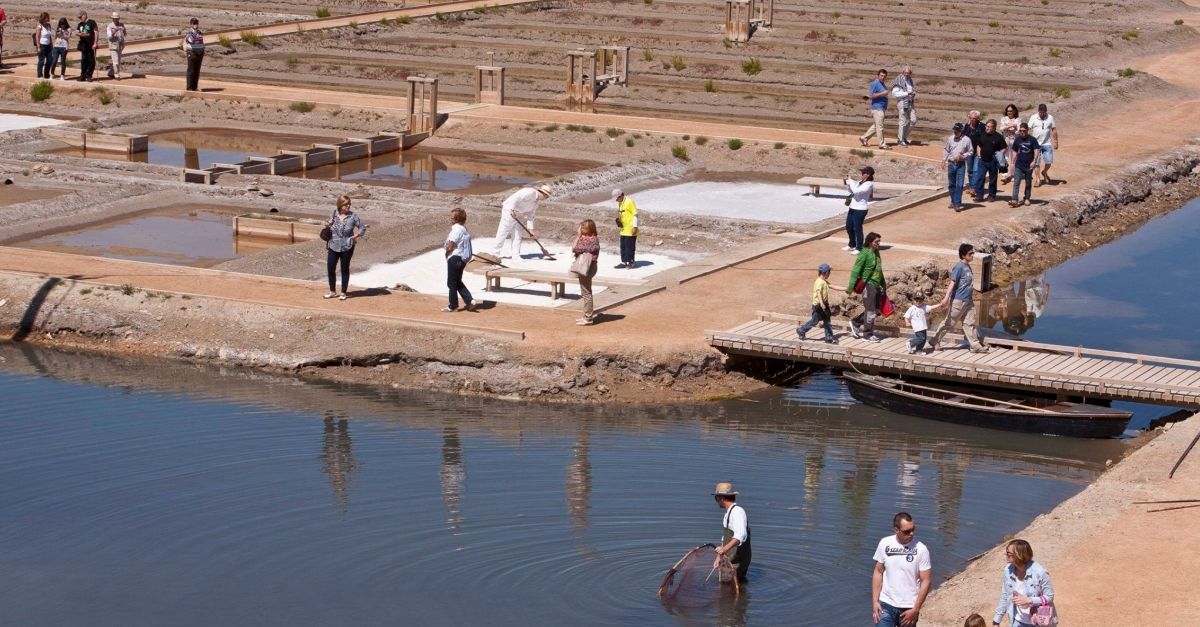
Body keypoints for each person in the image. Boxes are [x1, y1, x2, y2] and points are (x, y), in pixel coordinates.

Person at [871, 512, 931, 627]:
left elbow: (926, 580)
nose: (911, 534)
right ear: (896, 530)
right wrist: (875, 601)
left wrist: (916, 609)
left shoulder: (921, 549)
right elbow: (878, 572)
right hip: (886, 604)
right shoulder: (885, 544)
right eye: (907, 531)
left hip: (909, 607)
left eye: (913, 529)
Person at [929, 243, 988, 353]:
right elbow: (952, 283)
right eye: (970, 253)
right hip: (958, 300)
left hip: (968, 301)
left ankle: (974, 345)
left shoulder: (967, 266)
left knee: (969, 323)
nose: (972, 255)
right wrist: (946, 298)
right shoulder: (959, 267)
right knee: (949, 323)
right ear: (963, 255)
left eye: (973, 253)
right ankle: (935, 340)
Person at [993, 539, 1058, 627]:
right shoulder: (1008, 570)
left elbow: (1049, 596)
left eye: (1008, 553)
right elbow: (1005, 595)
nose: (1005, 554)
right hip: (1018, 621)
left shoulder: (1040, 572)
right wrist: (996, 621)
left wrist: (1029, 600)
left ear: (1019, 555)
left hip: (1039, 622)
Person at [323, 195, 366, 301]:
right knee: (330, 268)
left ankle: (343, 292)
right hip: (333, 245)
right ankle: (332, 291)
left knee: (344, 269)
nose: (348, 206)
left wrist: (354, 237)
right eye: (346, 204)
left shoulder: (353, 216)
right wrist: (328, 224)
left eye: (349, 204)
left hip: (347, 246)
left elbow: (362, 228)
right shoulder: (333, 213)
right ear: (340, 205)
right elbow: (327, 225)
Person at [490, 184, 550, 258]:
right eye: (547, 196)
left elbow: (531, 216)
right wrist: (512, 210)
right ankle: (495, 253)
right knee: (503, 231)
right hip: (509, 210)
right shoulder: (530, 192)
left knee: (518, 234)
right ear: (544, 193)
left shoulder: (536, 203)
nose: (546, 198)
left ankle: (515, 255)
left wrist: (531, 230)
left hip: (520, 214)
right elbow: (516, 198)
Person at [847, 232, 886, 342]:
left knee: (877, 310)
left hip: (877, 285)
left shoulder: (877, 252)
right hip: (869, 285)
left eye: (879, 241)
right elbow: (855, 270)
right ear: (870, 242)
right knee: (870, 311)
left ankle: (855, 322)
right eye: (876, 242)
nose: (878, 243)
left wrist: (883, 284)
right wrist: (850, 287)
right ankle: (867, 334)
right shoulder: (864, 253)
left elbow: (879, 269)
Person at [712, 482, 751, 582]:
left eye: (716, 498)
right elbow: (725, 538)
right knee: (726, 590)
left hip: (737, 561)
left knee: (729, 588)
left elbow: (740, 535)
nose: (716, 501)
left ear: (721, 498)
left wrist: (724, 549)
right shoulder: (728, 514)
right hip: (730, 559)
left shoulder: (737, 512)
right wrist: (719, 556)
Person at [443, 208, 474, 313]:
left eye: (452, 217)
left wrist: (447, 253)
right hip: (462, 259)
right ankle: (469, 301)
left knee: (451, 283)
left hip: (455, 258)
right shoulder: (464, 229)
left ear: (456, 219)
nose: (450, 219)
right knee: (457, 281)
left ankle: (453, 306)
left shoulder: (456, 230)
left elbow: (451, 245)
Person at [797, 263, 836, 343]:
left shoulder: (824, 281)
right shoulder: (819, 282)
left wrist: (846, 289)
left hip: (824, 304)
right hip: (818, 306)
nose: (830, 274)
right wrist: (821, 303)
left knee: (827, 320)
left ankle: (828, 337)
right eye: (829, 272)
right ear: (825, 273)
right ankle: (801, 330)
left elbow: (833, 286)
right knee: (814, 321)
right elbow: (818, 293)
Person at [570, 219, 599, 325]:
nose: (581, 229)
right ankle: (587, 316)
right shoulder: (593, 238)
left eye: (583, 227)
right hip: (590, 266)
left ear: (589, 229)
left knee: (586, 293)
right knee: (586, 292)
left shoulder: (589, 240)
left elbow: (574, 248)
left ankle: (588, 318)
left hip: (587, 267)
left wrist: (578, 236)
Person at [972, 120, 1008, 202]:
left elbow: (1005, 148)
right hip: (982, 161)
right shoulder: (982, 134)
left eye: (989, 127)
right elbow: (979, 145)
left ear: (994, 128)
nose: (986, 128)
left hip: (993, 161)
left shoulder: (998, 137)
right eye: (986, 126)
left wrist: (999, 155)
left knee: (992, 179)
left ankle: (991, 196)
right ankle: (979, 196)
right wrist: (978, 154)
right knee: (980, 178)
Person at [1008, 123, 1041, 208]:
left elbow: (1036, 150)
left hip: (1029, 165)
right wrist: (1012, 163)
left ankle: (1027, 198)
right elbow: (1014, 151)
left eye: (1024, 131)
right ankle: (1014, 199)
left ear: (1027, 130)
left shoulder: (1032, 140)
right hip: (1019, 164)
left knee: (1028, 183)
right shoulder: (1017, 139)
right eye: (1020, 131)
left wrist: (1034, 161)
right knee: (1016, 182)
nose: (1022, 132)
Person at [942, 122, 972, 211]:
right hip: (951, 164)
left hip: (961, 164)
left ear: (961, 131)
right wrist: (943, 160)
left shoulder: (967, 140)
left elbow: (971, 151)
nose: (955, 132)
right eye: (954, 130)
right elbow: (946, 149)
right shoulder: (950, 138)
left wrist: (963, 156)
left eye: (957, 131)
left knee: (959, 184)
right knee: (951, 184)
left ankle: (957, 204)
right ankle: (953, 201)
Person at [844, 166, 874, 253]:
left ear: (868, 175)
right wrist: (849, 184)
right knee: (849, 227)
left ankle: (859, 247)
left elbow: (857, 191)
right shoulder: (859, 182)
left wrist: (851, 181)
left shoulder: (869, 184)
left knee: (857, 229)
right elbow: (852, 191)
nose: (862, 174)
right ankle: (852, 244)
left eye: (863, 172)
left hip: (860, 209)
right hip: (852, 207)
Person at [859, 69, 891, 149]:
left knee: (876, 126)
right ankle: (882, 144)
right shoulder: (875, 83)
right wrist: (882, 93)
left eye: (884, 76)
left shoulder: (882, 84)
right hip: (877, 108)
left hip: (881, 108)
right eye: (881, 75)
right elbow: (870, 95)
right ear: (878, 75)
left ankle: (864, 138)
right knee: (880, 127)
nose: (883, 77)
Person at [1028, 104, 1059, 186]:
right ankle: (1038, 180)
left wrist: (1055, 141)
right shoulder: (1033, 117)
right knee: (1036, 163)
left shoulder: (1050, 117)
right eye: (1041, 112)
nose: (1042, 114)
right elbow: (1028, 128)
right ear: (1038, 111)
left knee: (1049, 161)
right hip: (1035, 144)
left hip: (1047, 143)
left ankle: (1044, 172)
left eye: (1044, 112)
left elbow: (1054, 129)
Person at [612, 188, 638, 269]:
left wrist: (635, 227)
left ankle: (631, 262)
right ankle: (624, 262)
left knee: (629, 246)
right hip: (623, 229)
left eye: (617, 198)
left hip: (630, 229)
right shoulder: (620, 203)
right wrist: (619, 220)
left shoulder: (629, 201)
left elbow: (635, 215)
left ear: (622, 195)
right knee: (623, 246)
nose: (617, 200)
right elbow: (623, 213)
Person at [963, 111, 986, 201]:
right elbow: (964, 137)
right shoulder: (967, 126)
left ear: (978, 119)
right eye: (971, 118)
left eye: (974, 118)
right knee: (970, 170)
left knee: (976, 170)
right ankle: (972, 186)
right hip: (969, 151)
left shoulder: (982, 127)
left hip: (978, 151)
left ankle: (973, 188)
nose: (972, 120)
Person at [892, 66, 916, 147]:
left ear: (910, 73)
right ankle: (900, 140)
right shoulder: (899, 80)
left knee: (913, 120)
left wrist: (913, 93)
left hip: (910, 102)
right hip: (902, 102)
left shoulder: (910, 80)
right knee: (902, 121)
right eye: (905, 73)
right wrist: (907, 93)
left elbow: (911, 89)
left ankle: (903, 137)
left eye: (908, 73)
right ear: (903, 72)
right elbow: (894, 93)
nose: (906, 74)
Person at [998, 104, 1021, 183]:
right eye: (1008, 111)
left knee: (1014, 158)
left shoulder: (1018, 119)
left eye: (1011, 111)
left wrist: (1008, 127)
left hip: (1014, 141)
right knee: (1005, 157)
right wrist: (1011, 126)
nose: (1009, 112)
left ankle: (1013, 174)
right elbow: (1001, 128)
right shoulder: (1003, 119)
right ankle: (1004, 174)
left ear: (1014, 111)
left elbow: (1018, 130)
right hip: (1005, 141)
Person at [183, 17, 204, 91]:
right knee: (191, 70)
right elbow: (191, 40)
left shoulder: (200, 32)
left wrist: (196, 38)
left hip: (200, 53)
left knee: (197, 70)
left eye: (196, 23)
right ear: (191, 24)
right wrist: (196, 37)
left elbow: (200, 40)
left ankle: (195, 87)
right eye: (194, 23)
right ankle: (189, 88)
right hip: (192, 52)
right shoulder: (189, 32)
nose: (196, 25)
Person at [76, 10, 97, 81]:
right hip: (83, 45)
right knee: (84, 61)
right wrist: (80, 34)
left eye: (80, 17)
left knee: (91, 61)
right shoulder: (80, 24)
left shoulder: (91, 22)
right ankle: (83, 75)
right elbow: (77, 32)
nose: (80, 19)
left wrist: (95, 43)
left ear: (84, 15)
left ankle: (89, 76)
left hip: (91, 45)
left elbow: (96, 32)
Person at [105, 12, 125, 80]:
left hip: (120, 45)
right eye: (114, 18)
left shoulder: (122, 25)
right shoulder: (110, 26)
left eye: (117, 18)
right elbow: (109, 37)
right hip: (113, 45)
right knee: (115, 61)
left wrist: (124, 31)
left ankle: (111, 73)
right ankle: (117, 75)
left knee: (118, 61)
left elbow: (124, 34)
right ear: (112, 19)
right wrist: (115, 31)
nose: (116, 20)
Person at [33, 13, 52, 79]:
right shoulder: (39, 26)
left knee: (49, 60)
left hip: (48, 45)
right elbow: (37, 36)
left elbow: (50, 36)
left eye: (48, 17)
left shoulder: (49, 25)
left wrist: (51, 45)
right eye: (46, 17)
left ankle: (46, 74)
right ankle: (39, 74)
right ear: (43, 18)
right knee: (41, 60)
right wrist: (38, 47)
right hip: (42, 45)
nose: (48, 19)